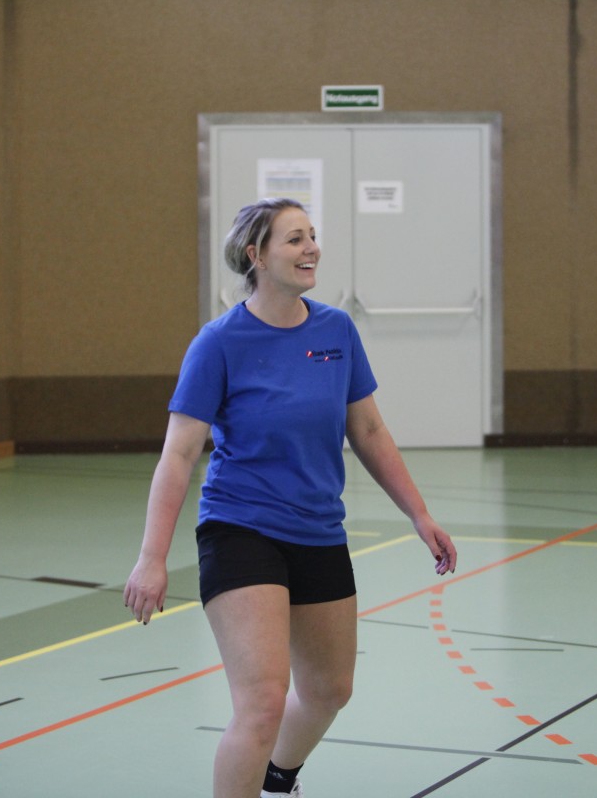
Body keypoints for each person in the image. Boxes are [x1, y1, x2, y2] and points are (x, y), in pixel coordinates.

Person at [123, 197, 457, 798]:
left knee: (330, 689)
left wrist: (419, 513)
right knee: (262, 702)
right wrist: (152, 556)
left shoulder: (336, 331)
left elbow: (369, 430)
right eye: (295, 239)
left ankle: (279, 777)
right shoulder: (218, 344)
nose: (311, 249)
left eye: (312, 236)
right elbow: (178, 454)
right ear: (256, 255)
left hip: (318, 529)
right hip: (240, 528)